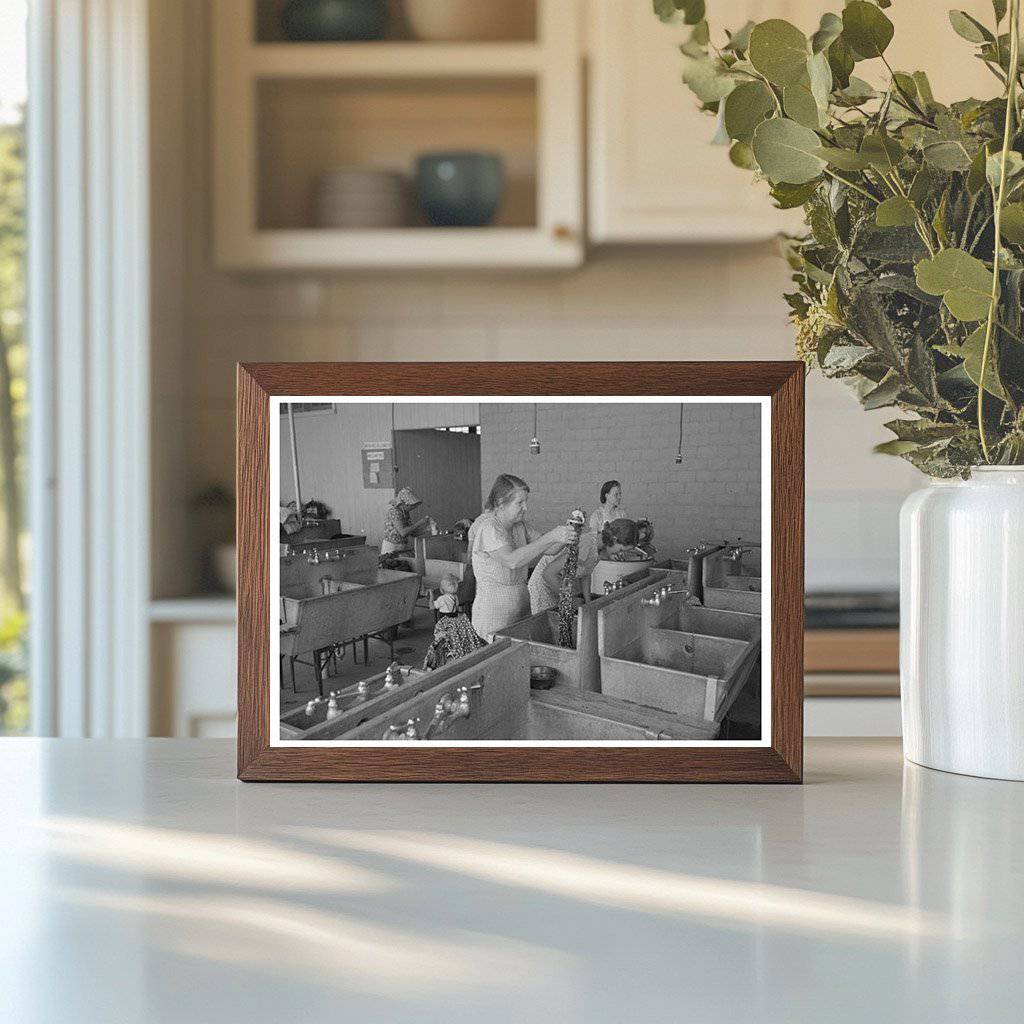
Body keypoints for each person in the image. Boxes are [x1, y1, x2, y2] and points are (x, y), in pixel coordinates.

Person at [468, 474, 576, 641]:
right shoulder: (489, 528)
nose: (525, 507)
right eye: (519, 503)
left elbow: (551, 549)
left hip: (521, 608)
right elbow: (511, 560)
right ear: (500, 504)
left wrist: (568, 533)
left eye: (526, 501)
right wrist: (551, 536)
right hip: (493, 614)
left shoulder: (520, 526)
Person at [528, 518, 640, 613]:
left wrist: (588, 602)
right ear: (614, 540)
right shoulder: (586, 546)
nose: (621, 554)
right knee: (551, 622)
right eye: (621, 549)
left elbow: (585, 573)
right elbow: (548, 574)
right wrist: (569, 599)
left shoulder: (601, 547)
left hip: (561, 583)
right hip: (544, 584)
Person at [423, 573, 487, 670]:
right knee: (456, 639)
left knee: (442, 641)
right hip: (455, 619)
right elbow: (456, 607)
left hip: (445, 621)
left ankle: (442, 661)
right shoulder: (455, 597)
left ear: (442, 589)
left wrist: (431, 595)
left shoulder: (442, 599)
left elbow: (432, 606)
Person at [380, 487, 433, 555]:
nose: (413, 508)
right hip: (391, 548)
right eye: (411, 506)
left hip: (402, 547)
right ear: (403, 504)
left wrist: (427, 529)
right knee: (392, 564)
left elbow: (413, 533)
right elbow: (403, 532)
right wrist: (420, 523)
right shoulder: (394, 512)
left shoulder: (405, 513)